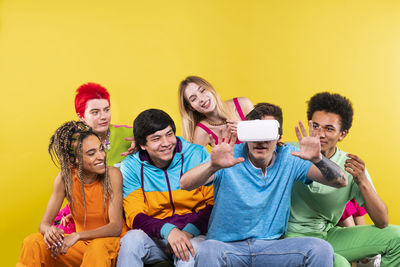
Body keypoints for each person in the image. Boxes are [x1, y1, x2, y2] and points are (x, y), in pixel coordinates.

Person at [180, 102, 348, 267]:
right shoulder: (228, 156)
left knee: (320, 248)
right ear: (245, 134)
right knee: (208, 249)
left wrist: (318, 159)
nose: (260, 141)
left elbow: (340, 181)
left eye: (266, 132)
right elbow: (185, 183)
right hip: (227, 247)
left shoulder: (289, 157)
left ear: (279, 136)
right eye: (254, 132)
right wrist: (213, 165)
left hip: (271, 248)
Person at [286, 92, 400, 267]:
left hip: (327, 235)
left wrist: (362, 181)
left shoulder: (348, 165)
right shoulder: (290, 152)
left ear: (342, 134)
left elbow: (382, 221)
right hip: (289, 238)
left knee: (397, 237)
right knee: (339, 263)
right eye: (315, 126)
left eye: (329, 128)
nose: (320, 134)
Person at [18, 121, 124, 266]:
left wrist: (78, 235)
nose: (101, 156)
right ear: (74, 160)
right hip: (80, 246)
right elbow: (44, 224)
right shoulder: (65, 178)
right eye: (91, 153)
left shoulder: (113, 174)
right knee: (33, 242)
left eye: (101, 149)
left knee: (96, 248)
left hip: (109, 244)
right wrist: (50, 232)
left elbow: (115, 227)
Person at [117, 109, 214, 267]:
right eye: (156, 138)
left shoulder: (197, 154)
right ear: (142, 144)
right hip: (157, 237)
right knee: (131, 240)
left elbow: (214, 204)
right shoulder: (131, 166)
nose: (167, 143)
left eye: (169, 134)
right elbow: (134, 215)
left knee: (187, 253)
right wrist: (169, 231)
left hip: (195, 235)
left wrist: (187, 232)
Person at [54, 82, 133, 233]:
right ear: (81, 116)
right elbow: (76, 183)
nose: (103, 116)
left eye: (106, 110)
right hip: (92, 209)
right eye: (95, 112)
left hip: (124, 208)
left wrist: (145, 144)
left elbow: (165, 144)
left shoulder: (129, 135)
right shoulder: (75, 144)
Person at [178, 75, 253, 147]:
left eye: (202, 90)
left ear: (210, 88)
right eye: (194, 99)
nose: (201, 99)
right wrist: (217, 159)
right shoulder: (202, 131)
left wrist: (244, 129)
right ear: (191, 107)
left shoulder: (243, 104)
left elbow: (264, 135)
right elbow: (197, 160)